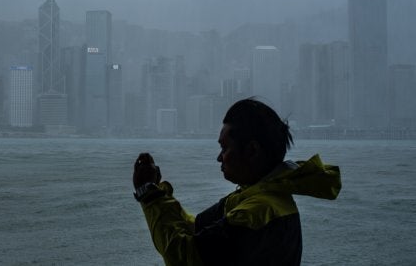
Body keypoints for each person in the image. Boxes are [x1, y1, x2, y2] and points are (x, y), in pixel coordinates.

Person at [133, 98, 341, 266]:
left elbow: (185, 256)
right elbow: (195, 227)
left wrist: (149, 195)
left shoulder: (257, 212)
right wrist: (156, 193)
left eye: (225, 148)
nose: (219, 157)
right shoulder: (256, 197)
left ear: (252, 151)